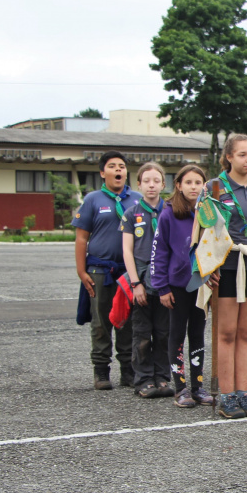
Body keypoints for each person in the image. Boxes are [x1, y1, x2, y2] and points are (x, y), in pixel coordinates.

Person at [206, 134, 247, 419]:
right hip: (226, 264)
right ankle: (226, 395)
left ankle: (243, 393)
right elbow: (203, 231)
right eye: (243, 154)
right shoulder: (214, 188)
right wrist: (207, 267)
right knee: (226, 333)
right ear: (229, 157)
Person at [73, 150, 142, 390]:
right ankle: (101, 372)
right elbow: (82, 238)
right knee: (101, 323)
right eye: (112, 166)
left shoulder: (137, 199)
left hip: (128, 272)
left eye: (122, 166)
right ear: (103, 173)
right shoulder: (93, 199)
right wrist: (82, 272)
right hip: (100, 270)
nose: (118, 170)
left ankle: (128, 371)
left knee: (128, 322)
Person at [151, 164, 215, 408]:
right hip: (177, 286)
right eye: (188, 182)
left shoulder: (208, 212)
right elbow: (159, 253)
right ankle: (180, 388)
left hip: (201, 285)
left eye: (198, 183)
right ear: (178, 185)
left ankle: (197, 386)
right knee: (176, 334)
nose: (193, 187)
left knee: (197, 335)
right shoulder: (168, 214)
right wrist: (162, 288)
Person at [121, 162, 174, 399]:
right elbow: (127, 251)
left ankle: (163, 377)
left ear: (164, 184)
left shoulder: (171, 210)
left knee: (164, 332)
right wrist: (135, 283)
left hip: (165, 280)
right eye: (146, 181)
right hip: (141, 278)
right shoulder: (132, 214)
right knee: (142, 333)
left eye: (156, 181)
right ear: (138, 185)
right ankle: (143, 379)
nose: (151, 185)